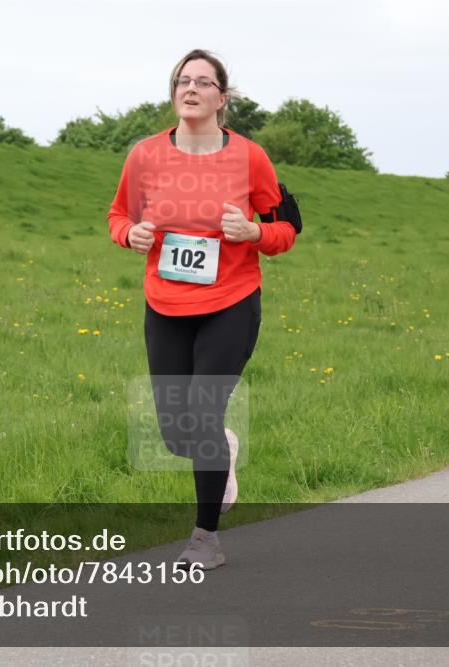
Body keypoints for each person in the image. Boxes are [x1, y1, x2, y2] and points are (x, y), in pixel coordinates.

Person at [107, 49, 297, 570]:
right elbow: (118, 214)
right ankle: (222, 450)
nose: (191, 89)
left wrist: (255, 231)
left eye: (203, 82)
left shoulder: (250, 157)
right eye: (182, 81)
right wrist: (132, 234)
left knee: (204, 413)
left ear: (222, 96)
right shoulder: (144, 155)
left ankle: (205, 539)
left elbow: (287, 229)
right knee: (174, 432)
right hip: (164, 304)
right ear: (174, 94)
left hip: (230, 303)